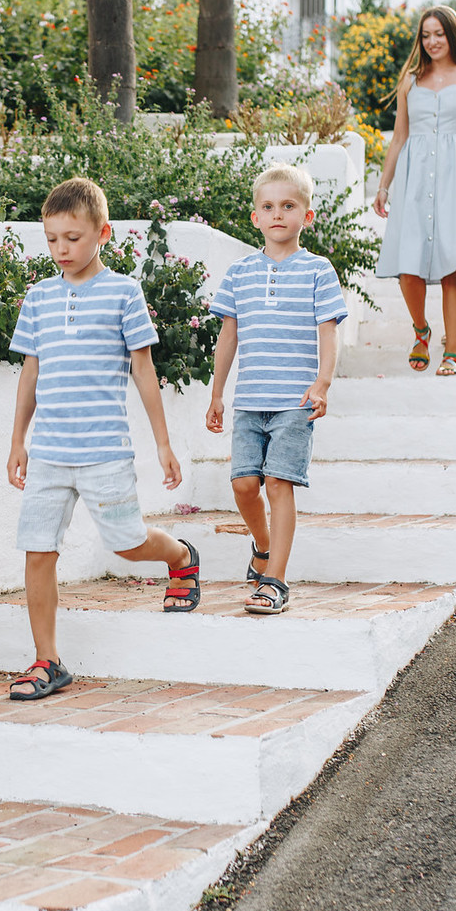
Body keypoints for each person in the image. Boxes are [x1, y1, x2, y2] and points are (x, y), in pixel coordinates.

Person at [5, 177, 201, 701]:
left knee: (127, 544)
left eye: (71, 238)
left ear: (102, 233)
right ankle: (47, 660)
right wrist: (18, 440)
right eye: (51, 240)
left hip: (103, 451)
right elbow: (30, 372)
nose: (60, 250)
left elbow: (143, 369)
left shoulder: (122, 292)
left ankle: (180, 557)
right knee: (37, 549)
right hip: (48, 452)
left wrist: (162, 443)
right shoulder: (39, 297)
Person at [204, 163, 348, 616]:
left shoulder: (318, 271)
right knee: (246, 484)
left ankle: (275, 582)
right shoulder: (240, 273)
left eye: (288, 206)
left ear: (306, 216)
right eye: (268, 207)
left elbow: (328, 330)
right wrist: (216, 394)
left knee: (277, 482)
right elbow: (229, 335)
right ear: (255, 218)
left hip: (295, 401)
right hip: (250, 401)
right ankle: (263, 548)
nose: (278, 214)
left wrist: (322, 382)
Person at [371, 5, 456, 377]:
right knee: (408, 269)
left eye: (439, 33)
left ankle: (452, 352)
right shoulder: (410, 81)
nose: (432, 41)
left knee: (453, 268)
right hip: (414, 179)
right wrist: (383, 186)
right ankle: (421, 329)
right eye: (426, 35)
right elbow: (399, 136)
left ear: (452, 34)